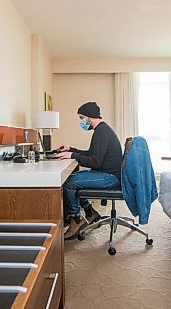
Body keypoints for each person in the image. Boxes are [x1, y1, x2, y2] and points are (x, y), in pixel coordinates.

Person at [56, 101, 123, 240]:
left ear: (90, 117)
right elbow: (91, 154)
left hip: (110, 177)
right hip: (107, 173)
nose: (81, 122)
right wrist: (71, 149)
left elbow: (95, 162)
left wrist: (73, 156)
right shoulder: (101, 130)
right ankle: (89, 212)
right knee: (71, 179)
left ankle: (76, 219)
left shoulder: (102, 132)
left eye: (82, 118)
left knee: (69, 183)